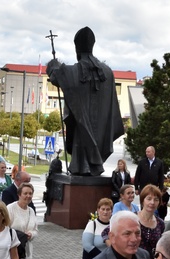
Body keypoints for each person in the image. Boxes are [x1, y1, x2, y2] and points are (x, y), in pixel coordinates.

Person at [45, 26, 124, 176]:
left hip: (81, 133)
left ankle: (82, 167)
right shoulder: (107, 72)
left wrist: (53, 62)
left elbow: (55, 74)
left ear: (77, 48)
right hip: (101, 132)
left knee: (80, 151)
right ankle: (93, 164)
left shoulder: (72, 71)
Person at [137, 184, 166, 259]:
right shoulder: (131, 218)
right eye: (149, 199)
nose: (152, 202)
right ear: (142, 200)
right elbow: (107, 233)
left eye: (156, 200)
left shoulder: (160, 223)